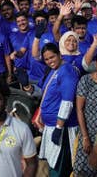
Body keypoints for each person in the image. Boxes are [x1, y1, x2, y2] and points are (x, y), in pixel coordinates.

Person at [34, 43, 79, 177]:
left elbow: (67, 101)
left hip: (62, 127)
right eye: (46, 59)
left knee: (58, 165)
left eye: (52, 57)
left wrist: (59, 128)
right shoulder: (54, 70)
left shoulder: (67, 70)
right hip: (51, 125)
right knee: (52, 163)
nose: (50, 61)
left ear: (59, 54)